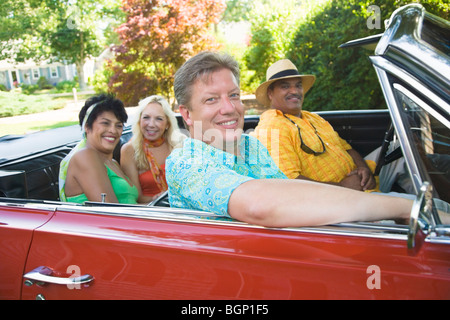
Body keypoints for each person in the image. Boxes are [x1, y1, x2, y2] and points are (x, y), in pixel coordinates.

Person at [165, 51, 413, 228]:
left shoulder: (250, 145)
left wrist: (379, 203)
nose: (230, 108)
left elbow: (290, 189)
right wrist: (401, 209)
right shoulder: (185, 162)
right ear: (186, 114)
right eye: (211, 99)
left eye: (234, 95)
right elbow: (261, 205)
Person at [252, 59, 379, 191]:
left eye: (298, 85)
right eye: (285, 86)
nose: (294, 91)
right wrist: (342, 187)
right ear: (270, 93)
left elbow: (346, 148)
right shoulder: (271, 127)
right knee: (403, 203)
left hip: (366, 183)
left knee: (397, 147)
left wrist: (363, 168)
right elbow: (286, 181)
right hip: (338, 201)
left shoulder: (313, 117)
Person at [59, 94, 138, 204]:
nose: (113, 130)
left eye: (118, 125)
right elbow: (112, 212)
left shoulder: (113, 163)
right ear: (86, 126)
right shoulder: (85, 156)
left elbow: (130, 205)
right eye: (105, 123)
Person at [120, 95, 185, 203]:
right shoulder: (129, 150)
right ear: (139, 120)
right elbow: (136, 197)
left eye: (159, 119)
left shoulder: (180, 143)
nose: (151, 124)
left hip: (184, 208)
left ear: (167, 123)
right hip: (151, 211)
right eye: (146, 117)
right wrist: (158, 199)